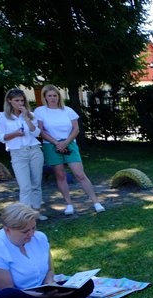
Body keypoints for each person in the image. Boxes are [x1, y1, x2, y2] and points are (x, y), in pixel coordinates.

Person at [0, 203, 105, 298]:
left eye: (33, 228)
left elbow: (49, 270)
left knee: (86, 284)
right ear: (7, 230)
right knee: (8, 296)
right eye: (25, 231)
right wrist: (42, 296)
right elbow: (7, 289)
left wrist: (51, 285)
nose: (31, 234)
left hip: (41, 294)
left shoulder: (40, 238)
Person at [34, 84, 104, 215]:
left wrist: (65, 142)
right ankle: (69, 204)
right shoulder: (40, 111)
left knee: (80, 174)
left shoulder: (68, 110)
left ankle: (95, 202)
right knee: (60, 175)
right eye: (50, 96)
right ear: (45, 97)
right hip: (51, 145)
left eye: (55, 95)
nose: (53, 98)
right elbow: (41, 131)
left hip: (69, 143)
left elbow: (76, 129)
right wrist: (56, 143)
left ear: (59, 96)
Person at [0, 89, 46, 219]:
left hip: (34, 150)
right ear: (9, 101)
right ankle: (25, 217)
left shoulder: (30, 115)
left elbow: (36, 133)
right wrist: (15, 134)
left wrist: (27, 118)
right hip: (17, 152)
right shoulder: (2, 116)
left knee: (36, 184)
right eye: (16, 100)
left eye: (22, 100)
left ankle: (36, 212)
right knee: (25, 186)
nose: (20, 103)